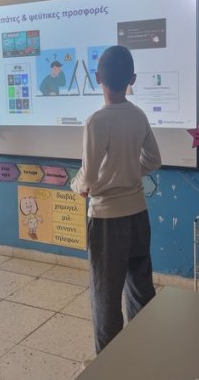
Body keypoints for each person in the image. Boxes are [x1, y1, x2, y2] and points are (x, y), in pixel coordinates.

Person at [70, 45, 162, 354]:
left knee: (106, 296)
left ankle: (109, 365)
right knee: (140, 288)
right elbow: (154, 159)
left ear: (97, 78)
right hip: (138, 214)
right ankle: (144, 354)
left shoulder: (96, 121)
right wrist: (130, 172)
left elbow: (88, 177)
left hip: (107, 219)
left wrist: (76, 185)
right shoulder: (138, 115)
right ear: (132, 79)